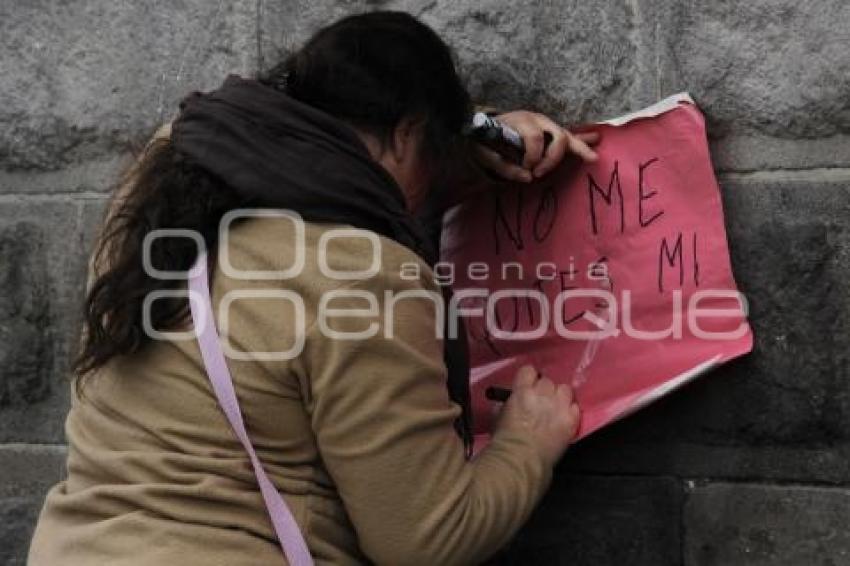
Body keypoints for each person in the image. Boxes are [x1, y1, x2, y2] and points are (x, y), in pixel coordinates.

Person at [28, 11, 598, 566]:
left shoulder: (163, 170)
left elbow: (280, 136)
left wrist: (472, 131)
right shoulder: (361, 274)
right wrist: (526, 443)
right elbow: (428, 539)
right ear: (407, 133)